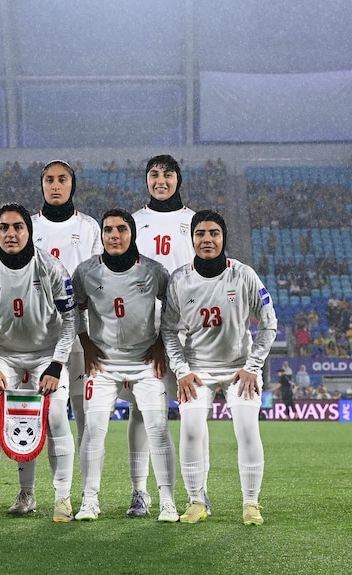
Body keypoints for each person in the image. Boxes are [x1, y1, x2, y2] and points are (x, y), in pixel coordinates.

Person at [161, 210, 277, 525]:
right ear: (192, 238)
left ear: (223, 237)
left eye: (214, 233)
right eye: (200, 233)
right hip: (197, 368)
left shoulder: (244, 275)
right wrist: (182, 369)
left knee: (247, 428)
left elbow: (269, 324)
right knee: (192, 430)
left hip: (240, 367)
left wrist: (254, 366)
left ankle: (250, 504)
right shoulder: (180, 279)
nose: (207, 239)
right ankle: (197, 501)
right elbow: (168, 330)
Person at [0, 203, 77, 523]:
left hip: (47, 355)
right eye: (4, 227)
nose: (11, 234)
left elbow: (70, 323)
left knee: (56, 415)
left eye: (18, 227)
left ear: (29, 232)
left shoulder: (52, 267)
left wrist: (56, 366)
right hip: (3, 357)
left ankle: (62, 500)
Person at [72, 208, 178, 522]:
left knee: (158, 428)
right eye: (108, 230)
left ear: (132, 234)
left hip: (144, 361)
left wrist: (160, 342)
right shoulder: (85, 271)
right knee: (93, 430)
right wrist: (85, 341)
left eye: (121, 229)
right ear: (101, 235)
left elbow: (170, 308)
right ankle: (89, 500)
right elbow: (75, 308)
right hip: (103, 363)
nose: (114, 235)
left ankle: (167, 501)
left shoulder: (153, 270)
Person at [18, 160, 100, 515]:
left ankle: (83, 494)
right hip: (37, 336)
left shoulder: (88, 226)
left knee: (84, 415)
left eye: (62, 179)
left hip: (80, 333)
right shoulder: (29, 227)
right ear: (41, 185)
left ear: (72, 185)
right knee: (35, 414)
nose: (55, 185)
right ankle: (27, 493)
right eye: (49, 179)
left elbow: (99, 276)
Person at [130, 154, 204, 517]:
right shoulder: (133, 223)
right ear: (146, 180)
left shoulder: (194, 223)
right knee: (141, 414)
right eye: (154, 174)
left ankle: (197, 494)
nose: (161, 180)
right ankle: (140, 492)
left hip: (188, 332)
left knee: (193, 412)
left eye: (168, 174)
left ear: (179, 179)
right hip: (142, 332)